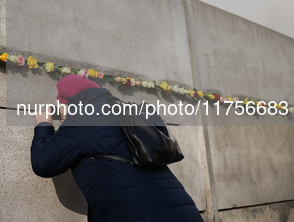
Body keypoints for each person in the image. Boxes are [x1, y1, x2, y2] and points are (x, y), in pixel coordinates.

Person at [31, 74, 202, 221]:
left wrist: (44, 125)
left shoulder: (82, 120)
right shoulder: (129, 109)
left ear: (68, 102)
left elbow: (43, 162)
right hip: (185, 210)